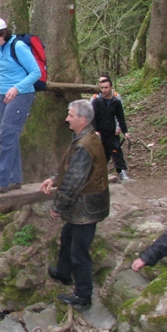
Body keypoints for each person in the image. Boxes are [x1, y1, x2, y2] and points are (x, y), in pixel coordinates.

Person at [40, 100, 110, 307]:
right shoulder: (84, 138)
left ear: (83, 119)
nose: (66, 119)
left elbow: (73, 181)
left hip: (86, 207)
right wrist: (53, 178)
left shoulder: (84, 144)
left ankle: (83, 296)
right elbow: (69, 168)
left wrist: (57, 207)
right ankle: (63, 271)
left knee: (80, 252)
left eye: (70, 115)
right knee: (67, 235)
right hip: (86, 203)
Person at [0, 18, 40, 193]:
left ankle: (0, 180)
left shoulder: (19, 46)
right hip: (2, 94)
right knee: (8, 135)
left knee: (7, 135)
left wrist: (17, 88)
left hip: (21, 94)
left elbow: (35, 72)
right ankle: (15, 178)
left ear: (1, 34)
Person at [91, 75, 130, 181]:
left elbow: (120, 118)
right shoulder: (96, 101)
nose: (104, 90)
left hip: (111, 133)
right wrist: (95, 131)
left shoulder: (116, 102)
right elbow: (93, 118)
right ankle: (95, 175)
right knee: (98, 155)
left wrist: (125, 132)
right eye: (102, 88)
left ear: (111, 87)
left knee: (113, 152)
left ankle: (121, 172)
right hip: (99, 133)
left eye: (106, 87)